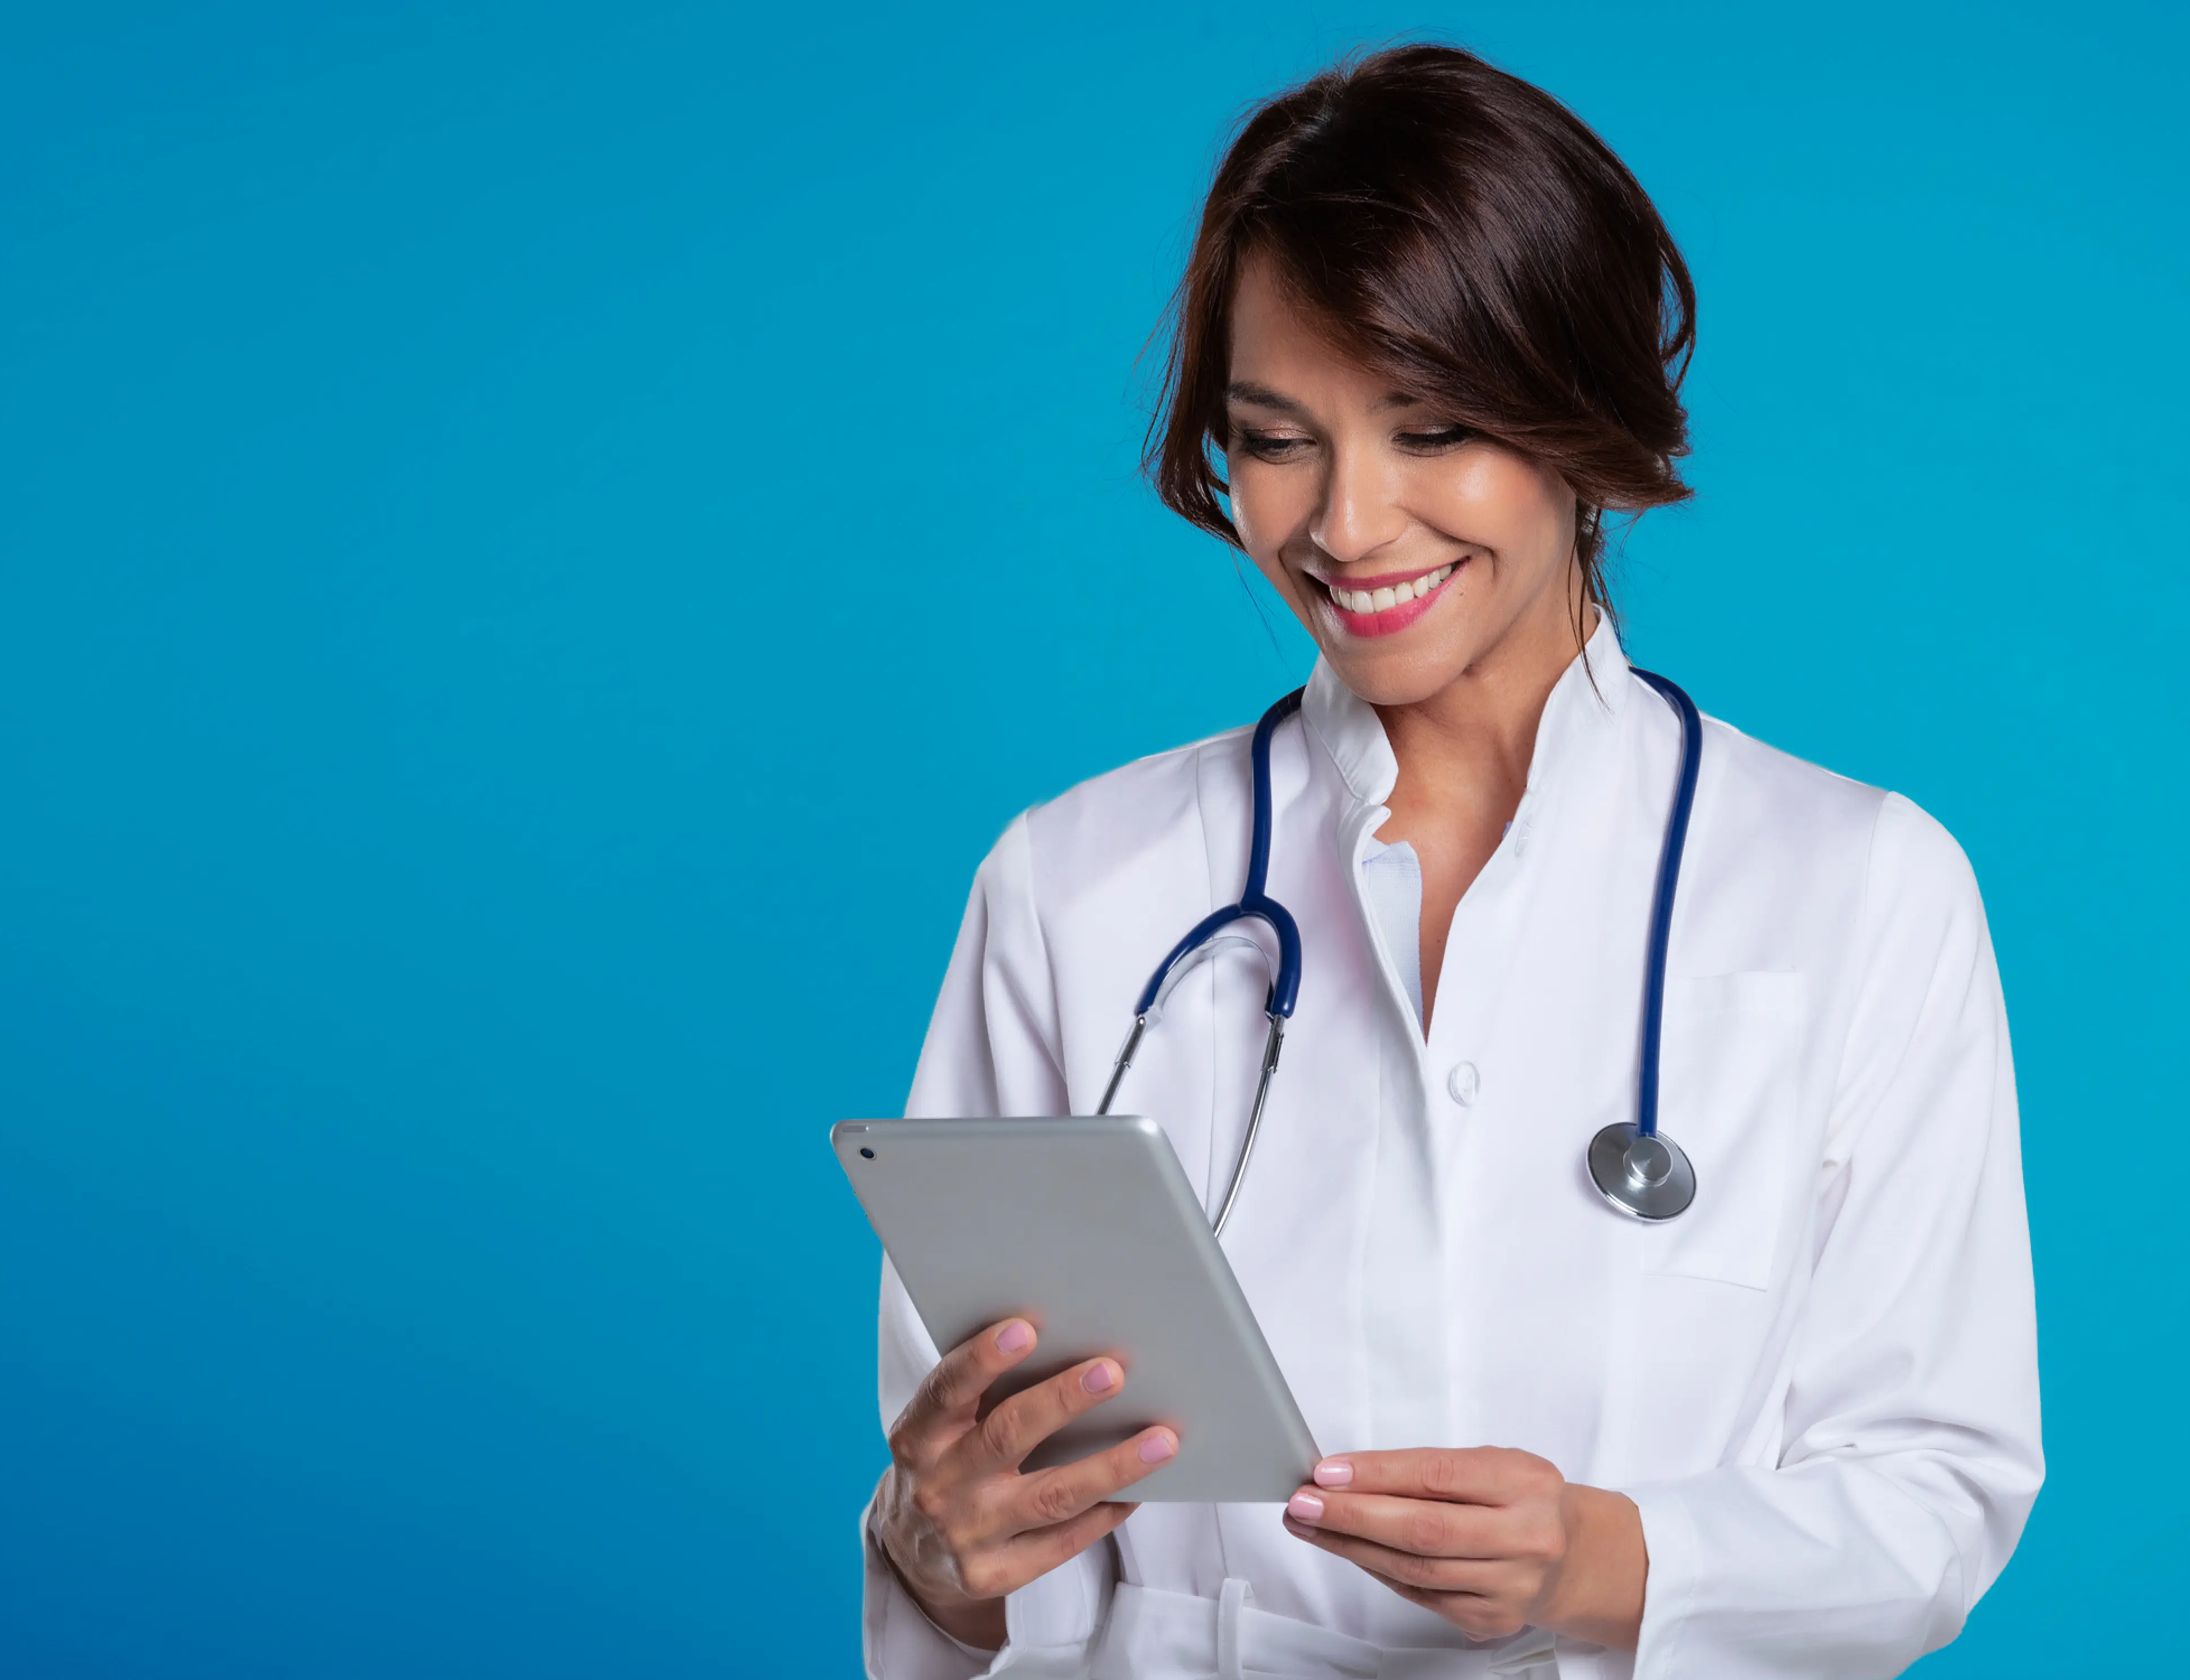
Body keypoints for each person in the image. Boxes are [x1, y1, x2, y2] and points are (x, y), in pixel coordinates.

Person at [859, 43, 2039, 1680]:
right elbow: (986, 1523)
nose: (1348, 524)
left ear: (1582, 417)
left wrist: (1607, 1560)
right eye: (1279, 441)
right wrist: (939, 1557)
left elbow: (1937, 1492)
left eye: (1433, 429)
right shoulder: (1079, 885)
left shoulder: (1860, 890)